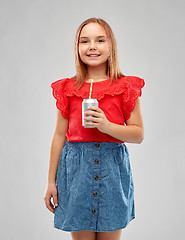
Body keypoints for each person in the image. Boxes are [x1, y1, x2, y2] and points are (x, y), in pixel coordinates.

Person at [44, 17, 145, 240]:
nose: (92, 46)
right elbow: (59, 136)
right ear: (77, 47)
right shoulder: (68, 88)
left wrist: (107, 126)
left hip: (112, 171)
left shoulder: (125, 87)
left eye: (100, 40)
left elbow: (138, 134)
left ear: (111, 46)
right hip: (75, 172)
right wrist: (51, 182)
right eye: (84, 41)